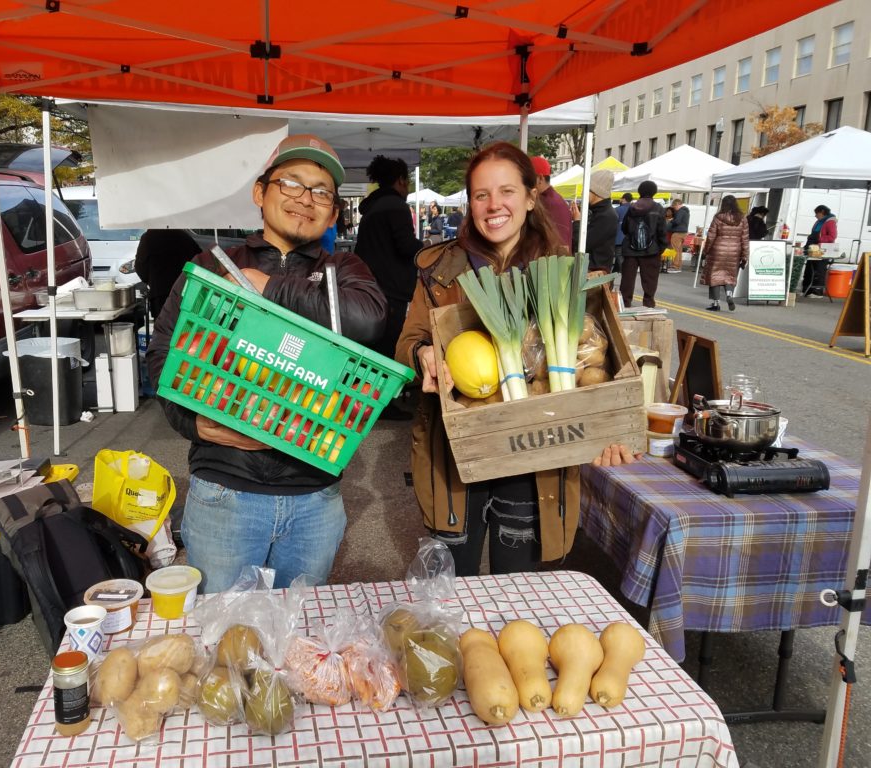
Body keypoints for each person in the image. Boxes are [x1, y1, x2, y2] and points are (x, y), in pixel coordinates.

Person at [146, 134, 387, 592]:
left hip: (314, 493)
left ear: (335, 212)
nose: (305, 199)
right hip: (224, 490)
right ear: (260, 193)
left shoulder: (345, 270)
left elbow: (367, 319)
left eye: (321, 191)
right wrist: (193, 424)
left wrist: (268, 289)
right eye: (291, 183)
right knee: (224, 640)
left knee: (296, 639)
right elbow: (161, 356)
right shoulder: (211, 266)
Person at [395, 142, 637, 578]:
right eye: (481, 194)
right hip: (456, 453)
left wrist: (610, 426)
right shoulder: (440, 269)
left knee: (520, 598)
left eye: (506, 191)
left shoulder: (566, 273)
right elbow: (408, 338)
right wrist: (423, 353)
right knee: (453, 595)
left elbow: (601, 362)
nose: (493, 205)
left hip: (538, 457)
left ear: (531, 195)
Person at [354, 155, 423, 419]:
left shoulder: (374, 207)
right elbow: (405, 246)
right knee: (387, 346)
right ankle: (381, 405)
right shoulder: (395, 206)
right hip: (390, 286)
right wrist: (427, 250)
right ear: (400, 181)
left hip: (370, 284)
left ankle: (366, 400)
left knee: (373, 344)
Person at [135, 229, 203, 318]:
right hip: (185, 292)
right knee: (184, 328)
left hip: (160, 294)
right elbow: (199, 260)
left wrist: (150, 280)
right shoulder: (183, 235)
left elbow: (140, 267)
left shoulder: (148, 237)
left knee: (163, 329)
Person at [619, 180, 666, 308]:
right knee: (650, 278)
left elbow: (624, 228)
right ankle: (648, 303)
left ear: (639, 191)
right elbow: (662, 231)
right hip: (651, 249)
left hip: (630, 249)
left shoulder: (632, 207)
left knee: (628, 278)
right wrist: (661, 247)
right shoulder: (659, 208)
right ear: (654, 192)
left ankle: (625, 303)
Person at [700, 195, 749, 312]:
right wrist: (745, 255)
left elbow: (711, 236)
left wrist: (705, 251)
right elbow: (745, 239)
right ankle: (729, 294)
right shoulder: (742, 218)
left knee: (715, 276)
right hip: (734, 251)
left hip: (718, 250)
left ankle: (715, 303)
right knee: (730, 276)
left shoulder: (718, 217)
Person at [569, 169, 618, 273]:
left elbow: (582, 245)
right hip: (589, 271)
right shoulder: (596, 211)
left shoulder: (606, 216)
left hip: (594, 275)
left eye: (587, 188)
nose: (583, 192)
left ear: (596, 191)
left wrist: (577, 221)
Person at [530, 155, 572, 252]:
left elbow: (562, 247)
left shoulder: (551, 203)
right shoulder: (549, 199)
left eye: (528, 178)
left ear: (540, 178)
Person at [804, 204, 838, 296]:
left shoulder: (830, 222)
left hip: (823, 249)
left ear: (822, 212)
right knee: (810, 268)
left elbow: (832, 236)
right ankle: (807, 290)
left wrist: (819, 240)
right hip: (813, 248)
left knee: (819, 269)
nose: (815, 215)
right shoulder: (818, 221)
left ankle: (817, 292)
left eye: (816, 213)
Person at [667, 198, 690, 272]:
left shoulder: (680, 211)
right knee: (679, 250)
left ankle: (675, 266)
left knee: (675, 250)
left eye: (674, 206)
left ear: (677, 204)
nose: (674, 208)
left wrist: (671, 220)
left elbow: (677, 221)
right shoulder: (686, 211)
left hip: (677, 232)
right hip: (683, 232)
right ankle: (678, 265)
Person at [613, 192, 633, 273]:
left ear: (624, 199)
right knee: (627, 255)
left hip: (619, 237)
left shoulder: (617, 209)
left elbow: (613, 223)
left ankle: (624, 270)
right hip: (631, 237)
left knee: (619, 254)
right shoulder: (634, 209)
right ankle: (616, 269)